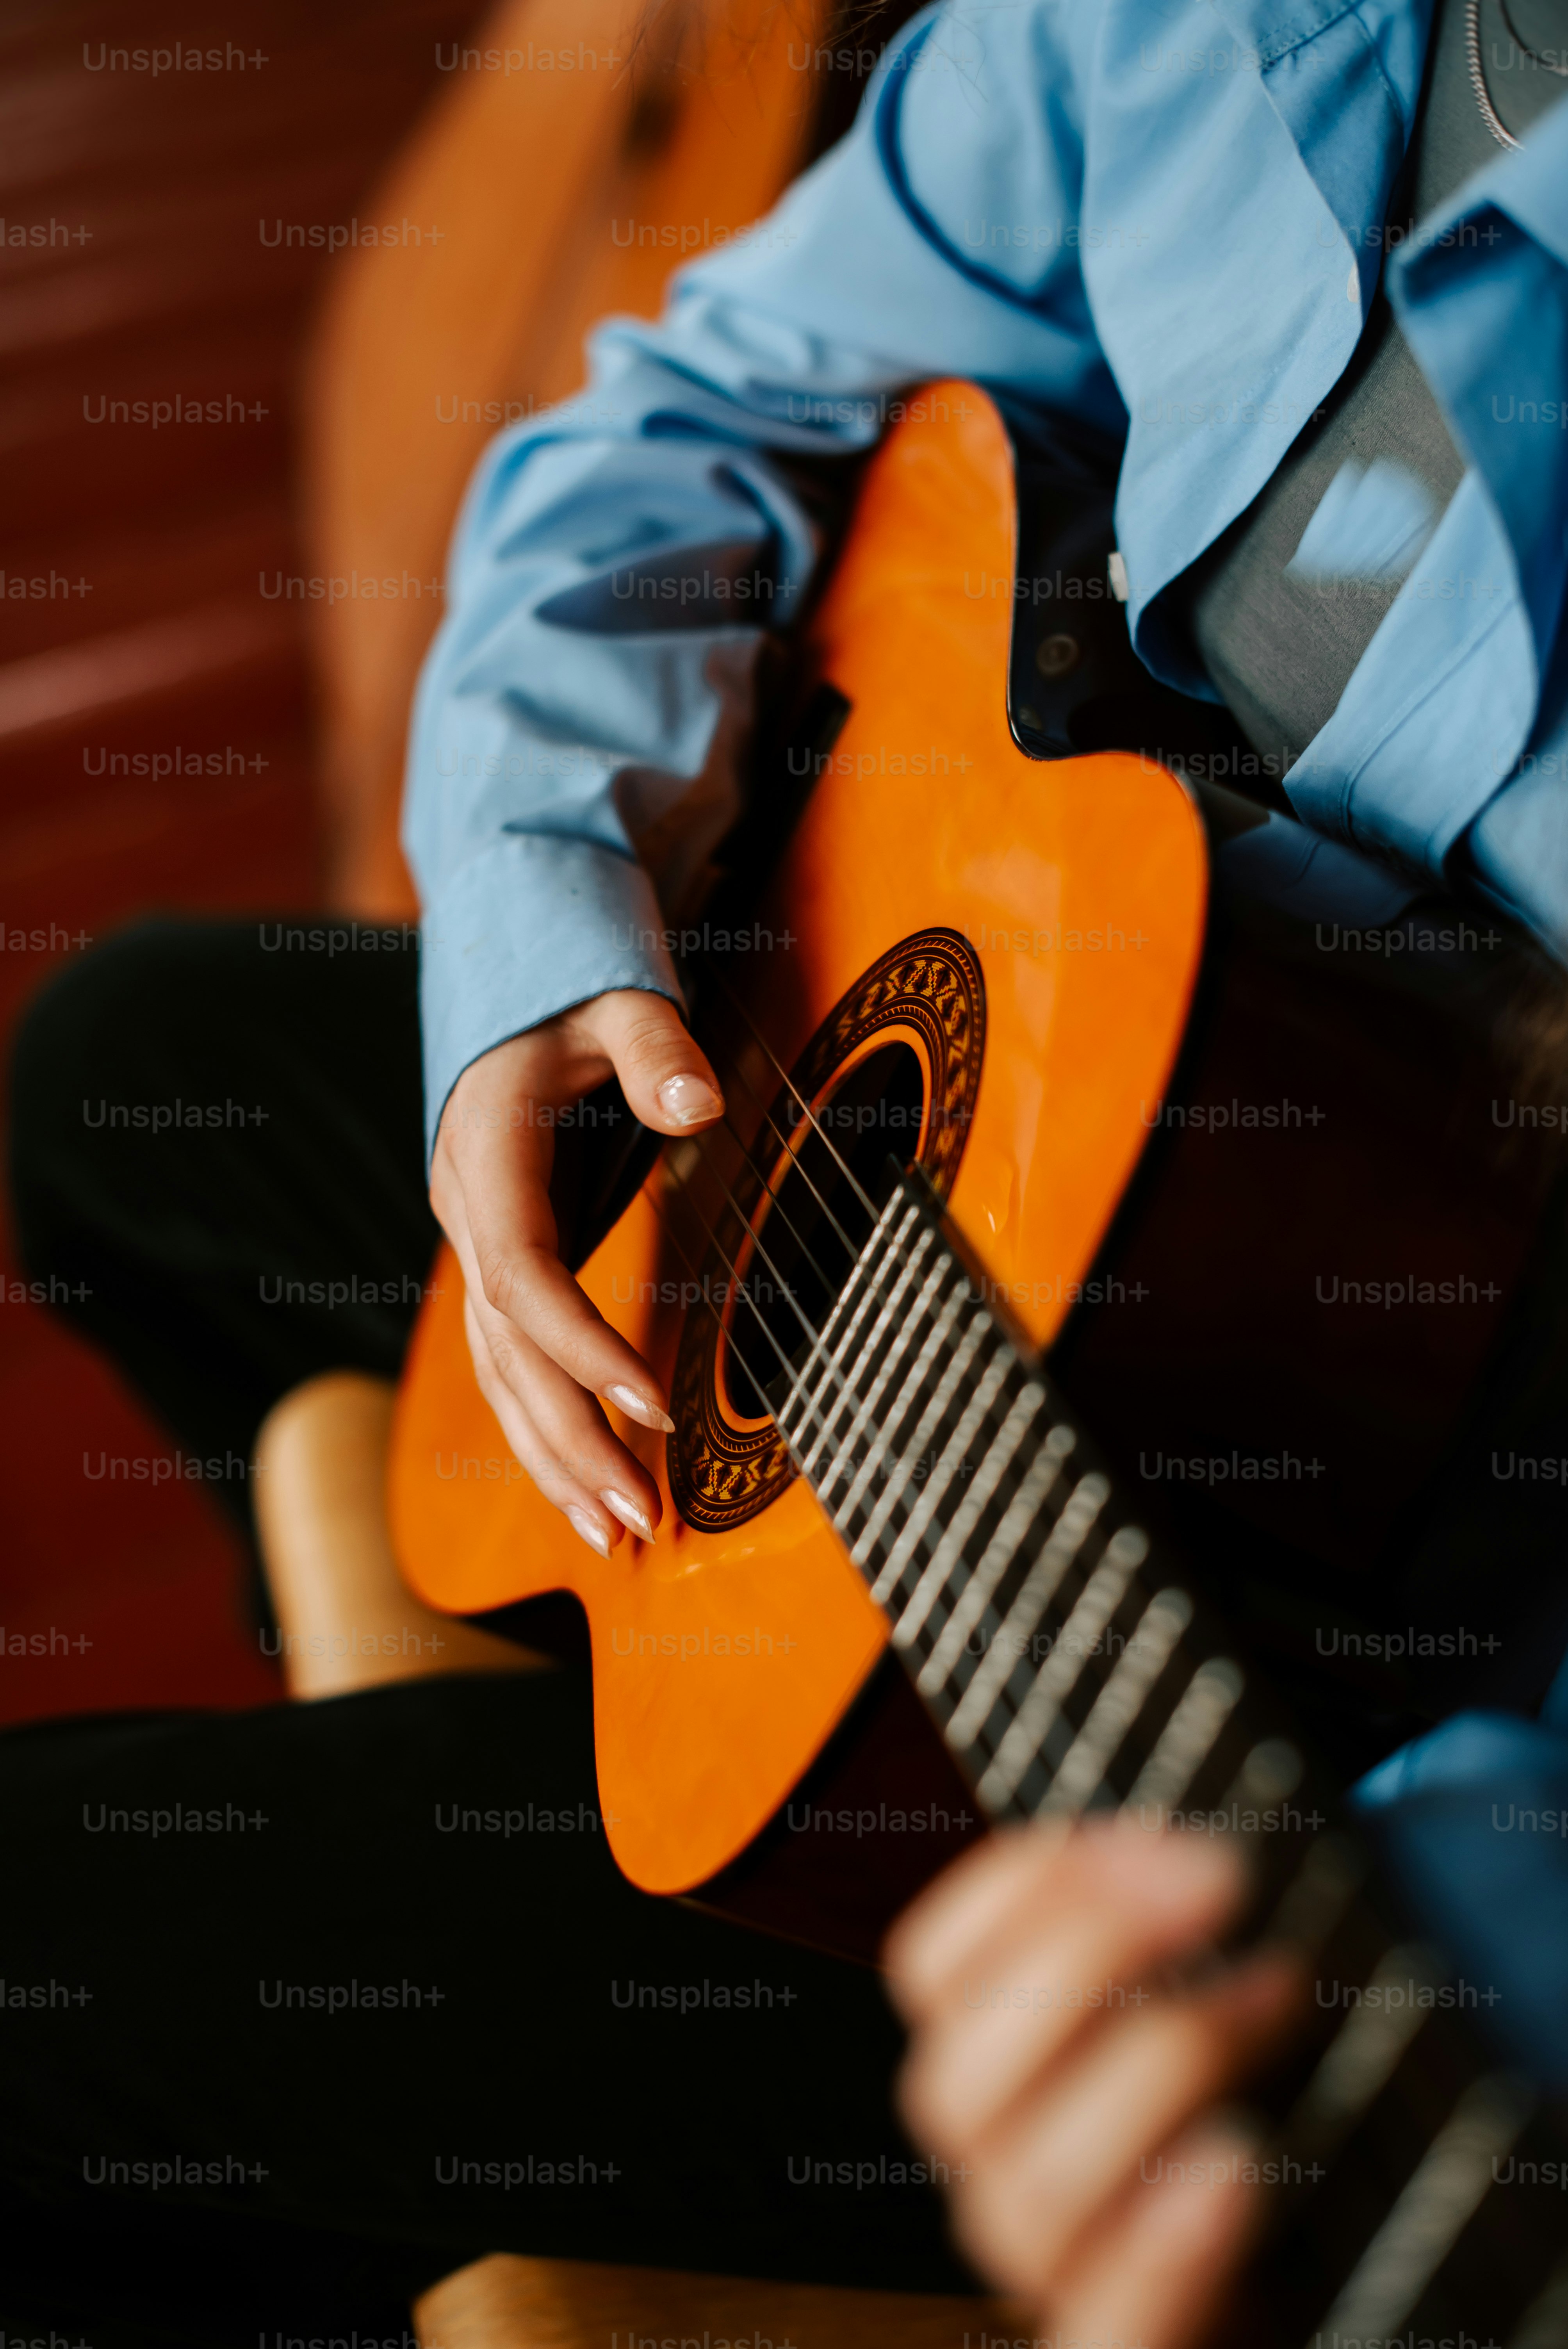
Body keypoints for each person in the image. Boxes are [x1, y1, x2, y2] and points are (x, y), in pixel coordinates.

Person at [9, 0, 1568, 2340]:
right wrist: (538, 909)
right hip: (1090, 1080)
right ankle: (598, 1666)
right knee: (137, 1083)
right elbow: (699, 397)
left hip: (1326, 1685)